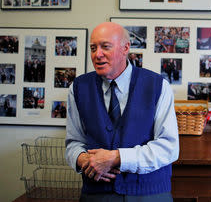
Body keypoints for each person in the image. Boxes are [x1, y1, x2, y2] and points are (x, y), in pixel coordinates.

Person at [65, 22, 179, 202]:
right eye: (93, 48)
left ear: (125, 48)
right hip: (96, 195)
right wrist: (84, 160)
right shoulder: (78, 88)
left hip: (149, 194)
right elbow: (73, 142)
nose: (97, 54)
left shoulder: (157, 86)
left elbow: (169, 148)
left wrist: (116, 158)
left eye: (105, 47)